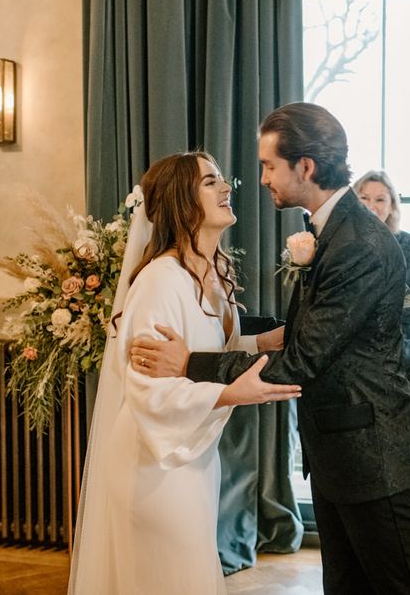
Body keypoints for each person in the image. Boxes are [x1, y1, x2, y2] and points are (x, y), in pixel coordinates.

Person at [129, 103, 410, 594]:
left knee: (400, 587)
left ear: (305, 167)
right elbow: (314, 332)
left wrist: (190, 363)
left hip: (371, 456)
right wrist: (269, 334)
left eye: (269, 166)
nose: (262, 178)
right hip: (342, 451)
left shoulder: (357, 242)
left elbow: (303, 361)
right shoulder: (334, 231)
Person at [67, 151, 301, 594]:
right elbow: (147, 390)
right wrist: (233, 393)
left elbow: (202, 352)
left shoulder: (214, 274)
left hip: (194, 457)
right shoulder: (160, 280)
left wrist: (260, 344)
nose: (226, 188)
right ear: (181, 201)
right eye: (210, 182)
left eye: (220, 179)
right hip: (153, 463)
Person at [353, 170, 410, 414]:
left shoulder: (409, 244)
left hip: (398, 358)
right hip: (353, 359)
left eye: (380, 199)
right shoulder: (340, 245)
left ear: (392, 205)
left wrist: (380, 314)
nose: (372, 206)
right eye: (364, 198)